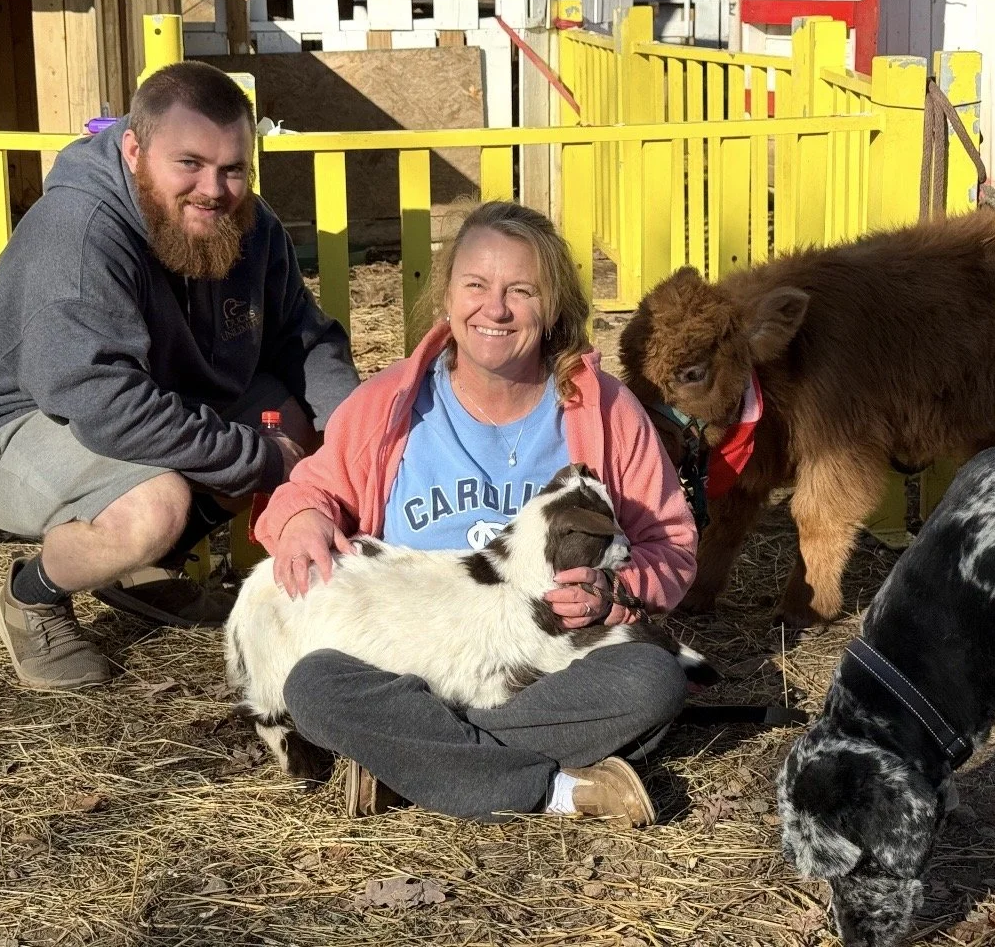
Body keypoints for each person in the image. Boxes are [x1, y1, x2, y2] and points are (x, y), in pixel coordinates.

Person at [253, 199, 698, 827]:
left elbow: (671, 543)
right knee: (315, 684)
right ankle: (552, 788)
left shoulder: (604, 411)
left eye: (521, 290)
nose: (496, 309)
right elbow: (307, 492)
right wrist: (301, 515)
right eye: (476, 285)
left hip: (540, 667)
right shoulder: (387, 404)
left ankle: (409, 762)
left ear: (554, 308)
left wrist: (618, 587)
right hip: (411, 664)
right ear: (446, 296)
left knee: (650, 679)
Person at [0, 61, 360, 691]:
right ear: (133, 150)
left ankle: (143, 568)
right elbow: (102, 401)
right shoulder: (76, 233)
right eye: (189, 164)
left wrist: (354, 442)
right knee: (153, 508)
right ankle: (30, 596)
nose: (214, 189)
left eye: (233, 169)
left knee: (299, 425)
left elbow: (302, 338)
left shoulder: (248, 223)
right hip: (7, 423)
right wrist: (258, 458)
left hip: (148, 399)